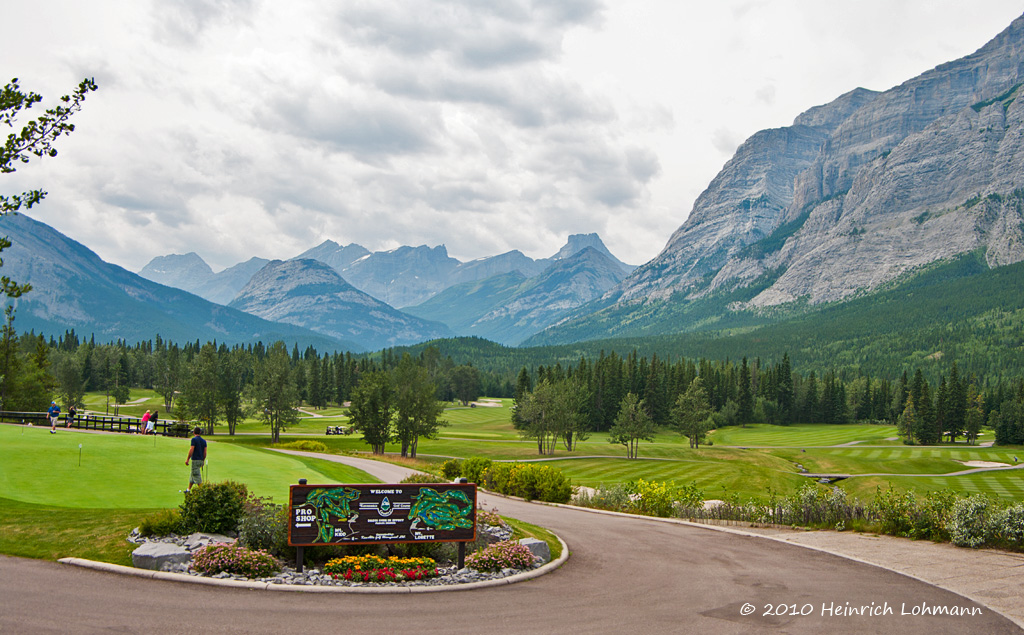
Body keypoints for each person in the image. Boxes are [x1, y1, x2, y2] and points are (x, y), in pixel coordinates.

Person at [185, 426, 207, 494]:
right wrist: (203, 460)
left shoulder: (194, 440)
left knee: (196, 476)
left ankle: (203, 491)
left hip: (195, 460)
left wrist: (188, 459)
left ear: (194, 432)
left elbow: (191, 449)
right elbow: (205, 452)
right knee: (192, 475)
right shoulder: (204, 441)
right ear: (200, 432)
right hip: (200, 460)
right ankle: (188, 490)